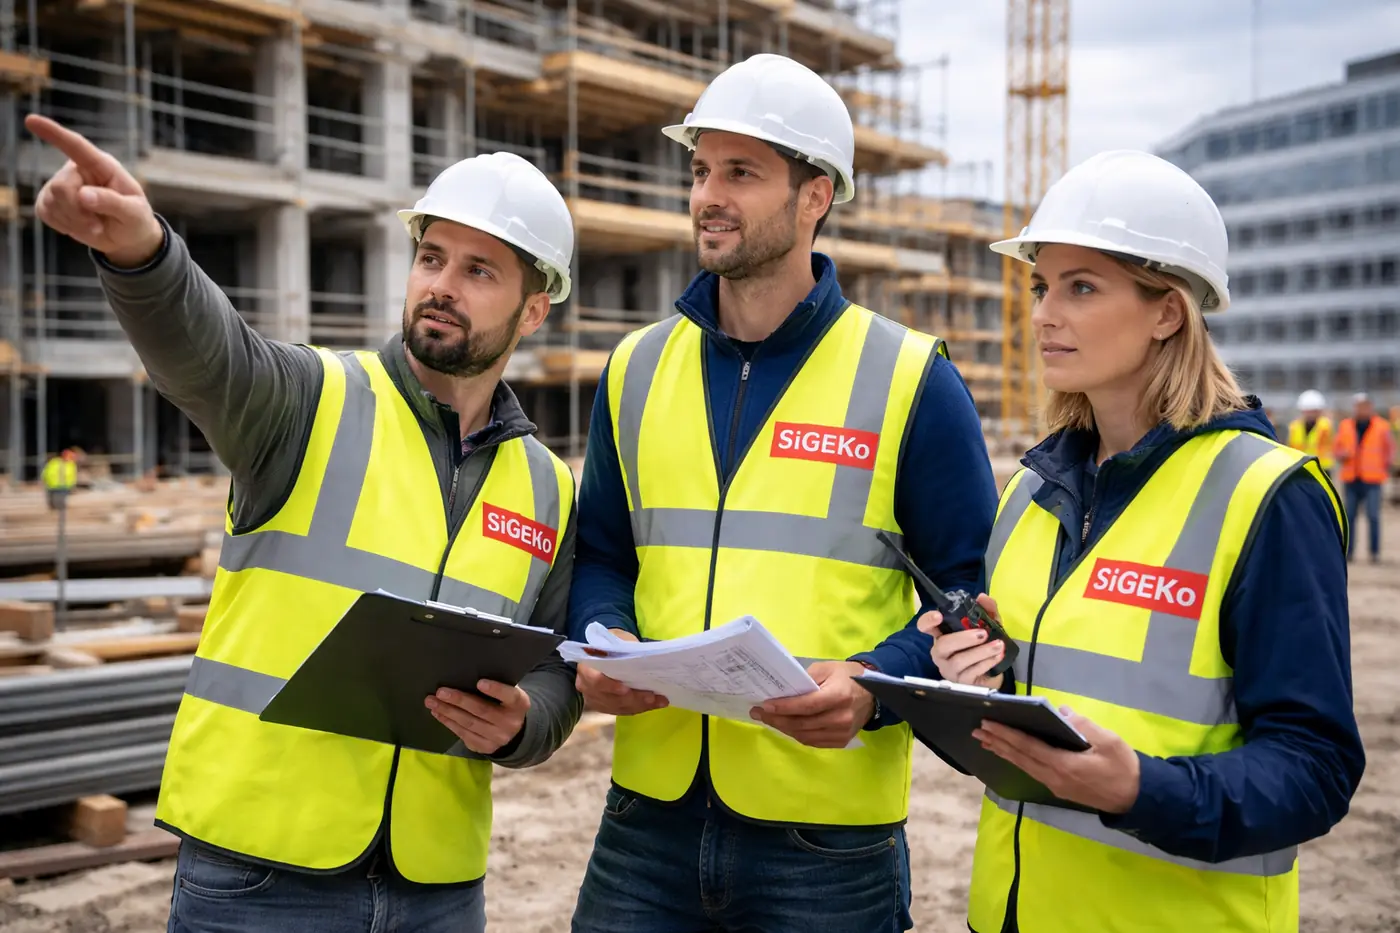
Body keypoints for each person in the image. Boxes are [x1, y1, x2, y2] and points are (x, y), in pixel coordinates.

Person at [28, 113, 583, 933]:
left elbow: (559, 668)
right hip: (258, 873)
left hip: (435, 883)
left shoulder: (545, 486)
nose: (442, 285)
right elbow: (205, 351)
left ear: (533, 311)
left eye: (479, 271)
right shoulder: (307, 401)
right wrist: (142, 253)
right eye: (430, 257)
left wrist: (524, 723)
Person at [567, 53, 998, 933]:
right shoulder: (637, 370)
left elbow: (971, 601)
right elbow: (603, 551)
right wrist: (603, 638)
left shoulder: (911, 378)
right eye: (699, 171)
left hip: (827, 839)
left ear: (815, 198)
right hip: (646, 817)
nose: (707, 196)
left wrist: (877, 686)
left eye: (741, 172)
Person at [924, 150, 1365, 932]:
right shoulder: (1030, 491)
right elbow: (1028, 723)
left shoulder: (1267, 495)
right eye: (1042, 285)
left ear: (1168, 312)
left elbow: (1315, 768)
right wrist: (970, 683)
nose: (1045, 312)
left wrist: (1140, 789)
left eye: (1082, 287)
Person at [1335, 391, 1393, 563]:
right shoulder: (1345, 426)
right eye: (1358, 406)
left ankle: (1374, 553)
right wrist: (1341, 454)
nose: (1361, 409)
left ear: (1370, 407)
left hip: (1373, 479)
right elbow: (1336, 448)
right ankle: (1349, 552)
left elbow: (1389, 449)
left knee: (1373, 516)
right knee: (1349, 516)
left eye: (1365, 406)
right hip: (1351, 477)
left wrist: (1384, 466)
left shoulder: (1382, 426)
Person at [1287, 388, 1335, 478]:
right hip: (1300, 467)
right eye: (1308, 411)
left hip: (1322, 468)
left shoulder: (1325, 426)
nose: (1310, 414)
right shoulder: (1294, 426)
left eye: (1314, 411)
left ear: (1320, 411)